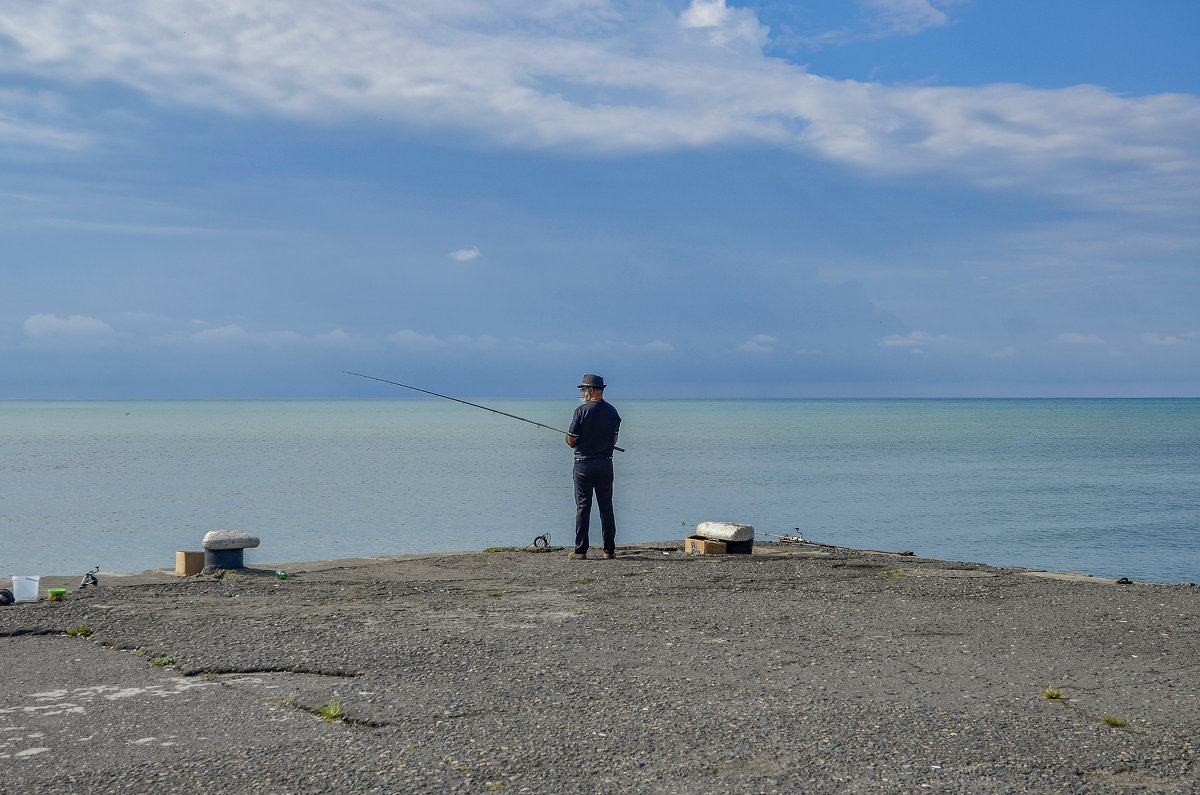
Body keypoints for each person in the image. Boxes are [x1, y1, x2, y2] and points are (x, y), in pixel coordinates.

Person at [565, 373, 621, 560]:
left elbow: (572, 440)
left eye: (583, 390)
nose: (582, 393)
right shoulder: (613, 412)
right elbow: (614, 439)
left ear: (590, 390)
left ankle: (581, 551)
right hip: (605, 463)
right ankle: (609, 550)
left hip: (583, 465)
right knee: (606, 506)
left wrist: (570, 438)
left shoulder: (581, 411)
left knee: (583, 507)